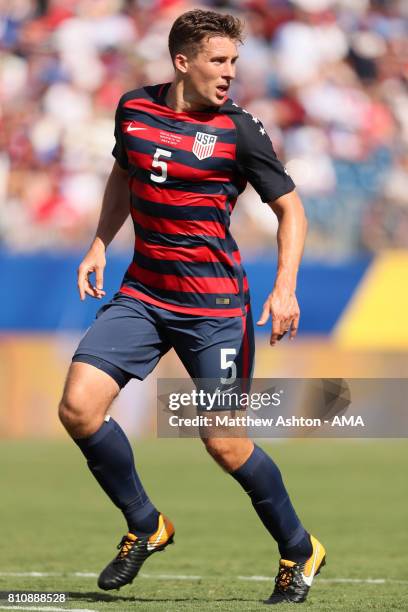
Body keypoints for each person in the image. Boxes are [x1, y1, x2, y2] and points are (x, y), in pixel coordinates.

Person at [58, 9, 326, 605]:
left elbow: (292, 211)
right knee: (78, 408)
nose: (230, 74)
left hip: (214, 308)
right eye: (219, 61)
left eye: (234, 62)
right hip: (144, 295)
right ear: (183, 62)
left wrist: (285, 288)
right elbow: (123, 175)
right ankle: (146, 524)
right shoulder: (134, 108)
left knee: (224, 444)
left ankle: (299, 547)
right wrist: (100, 243)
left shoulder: (240, 130)